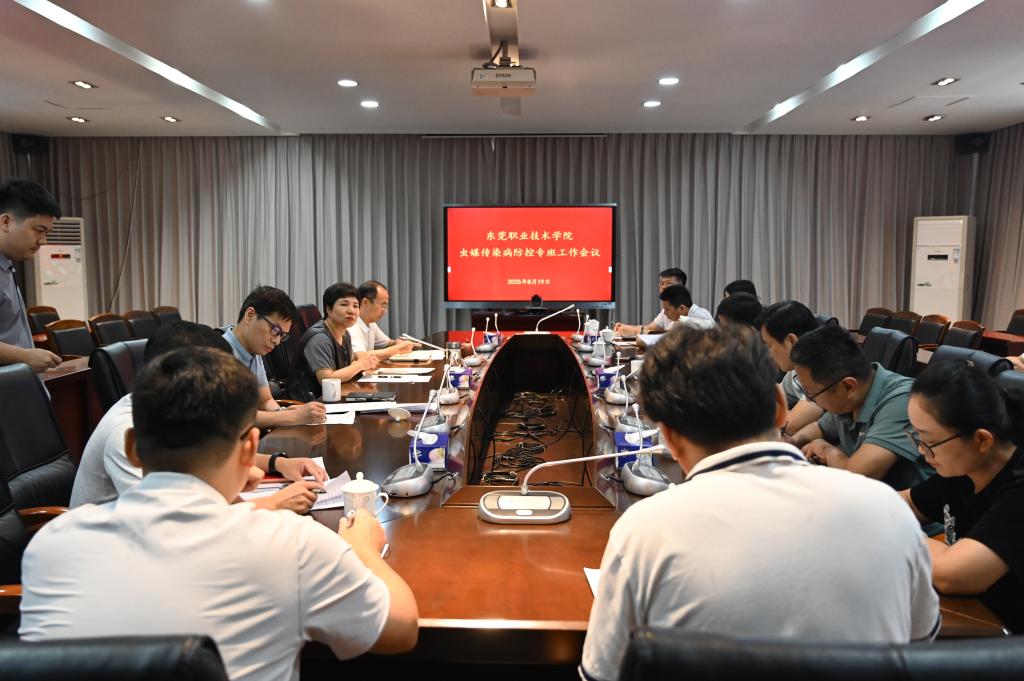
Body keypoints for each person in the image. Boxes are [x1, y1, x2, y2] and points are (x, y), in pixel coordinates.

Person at [20, 347, 419, 680]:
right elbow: (401, 631)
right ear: (249, 450)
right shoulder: (291, 544)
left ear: (133, 449)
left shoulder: (51, 545)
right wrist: (362, 546)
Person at [580, 325, 939, 681]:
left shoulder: (644, 530)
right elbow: (921, 644)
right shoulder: (888, 511)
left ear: (669, 438)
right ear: (781, 408)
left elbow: (603, 673)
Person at [70, 321, 327, 512]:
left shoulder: (178, 414)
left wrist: (277, 463)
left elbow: (211, 454)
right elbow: (170, 521)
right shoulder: (127, 430)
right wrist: (272, 503)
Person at [900, 361, 1024, 633]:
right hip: (978, 615)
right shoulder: (962, 467)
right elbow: (905, 503)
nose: (922, 451)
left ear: (982, 440)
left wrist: (888, 526)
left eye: (929, 441)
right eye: (917, 437)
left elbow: (952, 573)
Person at [787, 324, 934, 490]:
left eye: (812, 393)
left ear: (848, 386)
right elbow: (821, 427)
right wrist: (792, 442)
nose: (809, 399)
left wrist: (828, 451)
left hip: (908, 502)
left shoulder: (904, 401)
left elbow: (857, 478)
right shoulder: (850, 396)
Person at [224, 286, 325, 427]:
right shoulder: (219, 352)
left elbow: (265, 401)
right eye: (275, 330)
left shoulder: (253, 350)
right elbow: (233, 417)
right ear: (250, 315)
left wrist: (281, 411)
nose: (277, 342)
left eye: (282, 336)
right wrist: (291, 417)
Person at [0, 180, 62, 372]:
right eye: (39, 231)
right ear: (6, 222)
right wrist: (25, 356)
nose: (43, 241)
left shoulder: (6, 266)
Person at [291, 282, 379, 399]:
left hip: (335, 396)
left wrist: (362, 363)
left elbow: (348, 366)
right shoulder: (320, 338)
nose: (351, 311)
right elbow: (327, 379)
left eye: (355, 306)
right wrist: (360, 365)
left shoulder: (345, 333)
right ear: (329, 309)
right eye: (344, 304)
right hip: (311, 402)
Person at [755, 300, 824, 435]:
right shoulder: (795, 369)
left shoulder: (823, 371)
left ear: (791, 340)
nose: (767, 354)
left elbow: (789, 425)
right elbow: (765, 401)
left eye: (769, 345)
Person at [349, 280, 416, 360]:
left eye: (386, 306)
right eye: (383, 305)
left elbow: (388, 343)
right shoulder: (351, 325)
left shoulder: (371, 324)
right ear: (365, 302)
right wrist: (398, 349)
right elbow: (360, 356)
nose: (385, 311)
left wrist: (397, 342)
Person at [613, 267, 687, 335]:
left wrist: (633, 331)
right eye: (662, 283)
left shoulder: (685, 310)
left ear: (681, 287)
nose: (663, 287)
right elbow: (649, 328)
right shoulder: (666, 310)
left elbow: (669, 336)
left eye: (668, 283)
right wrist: (626, 327)